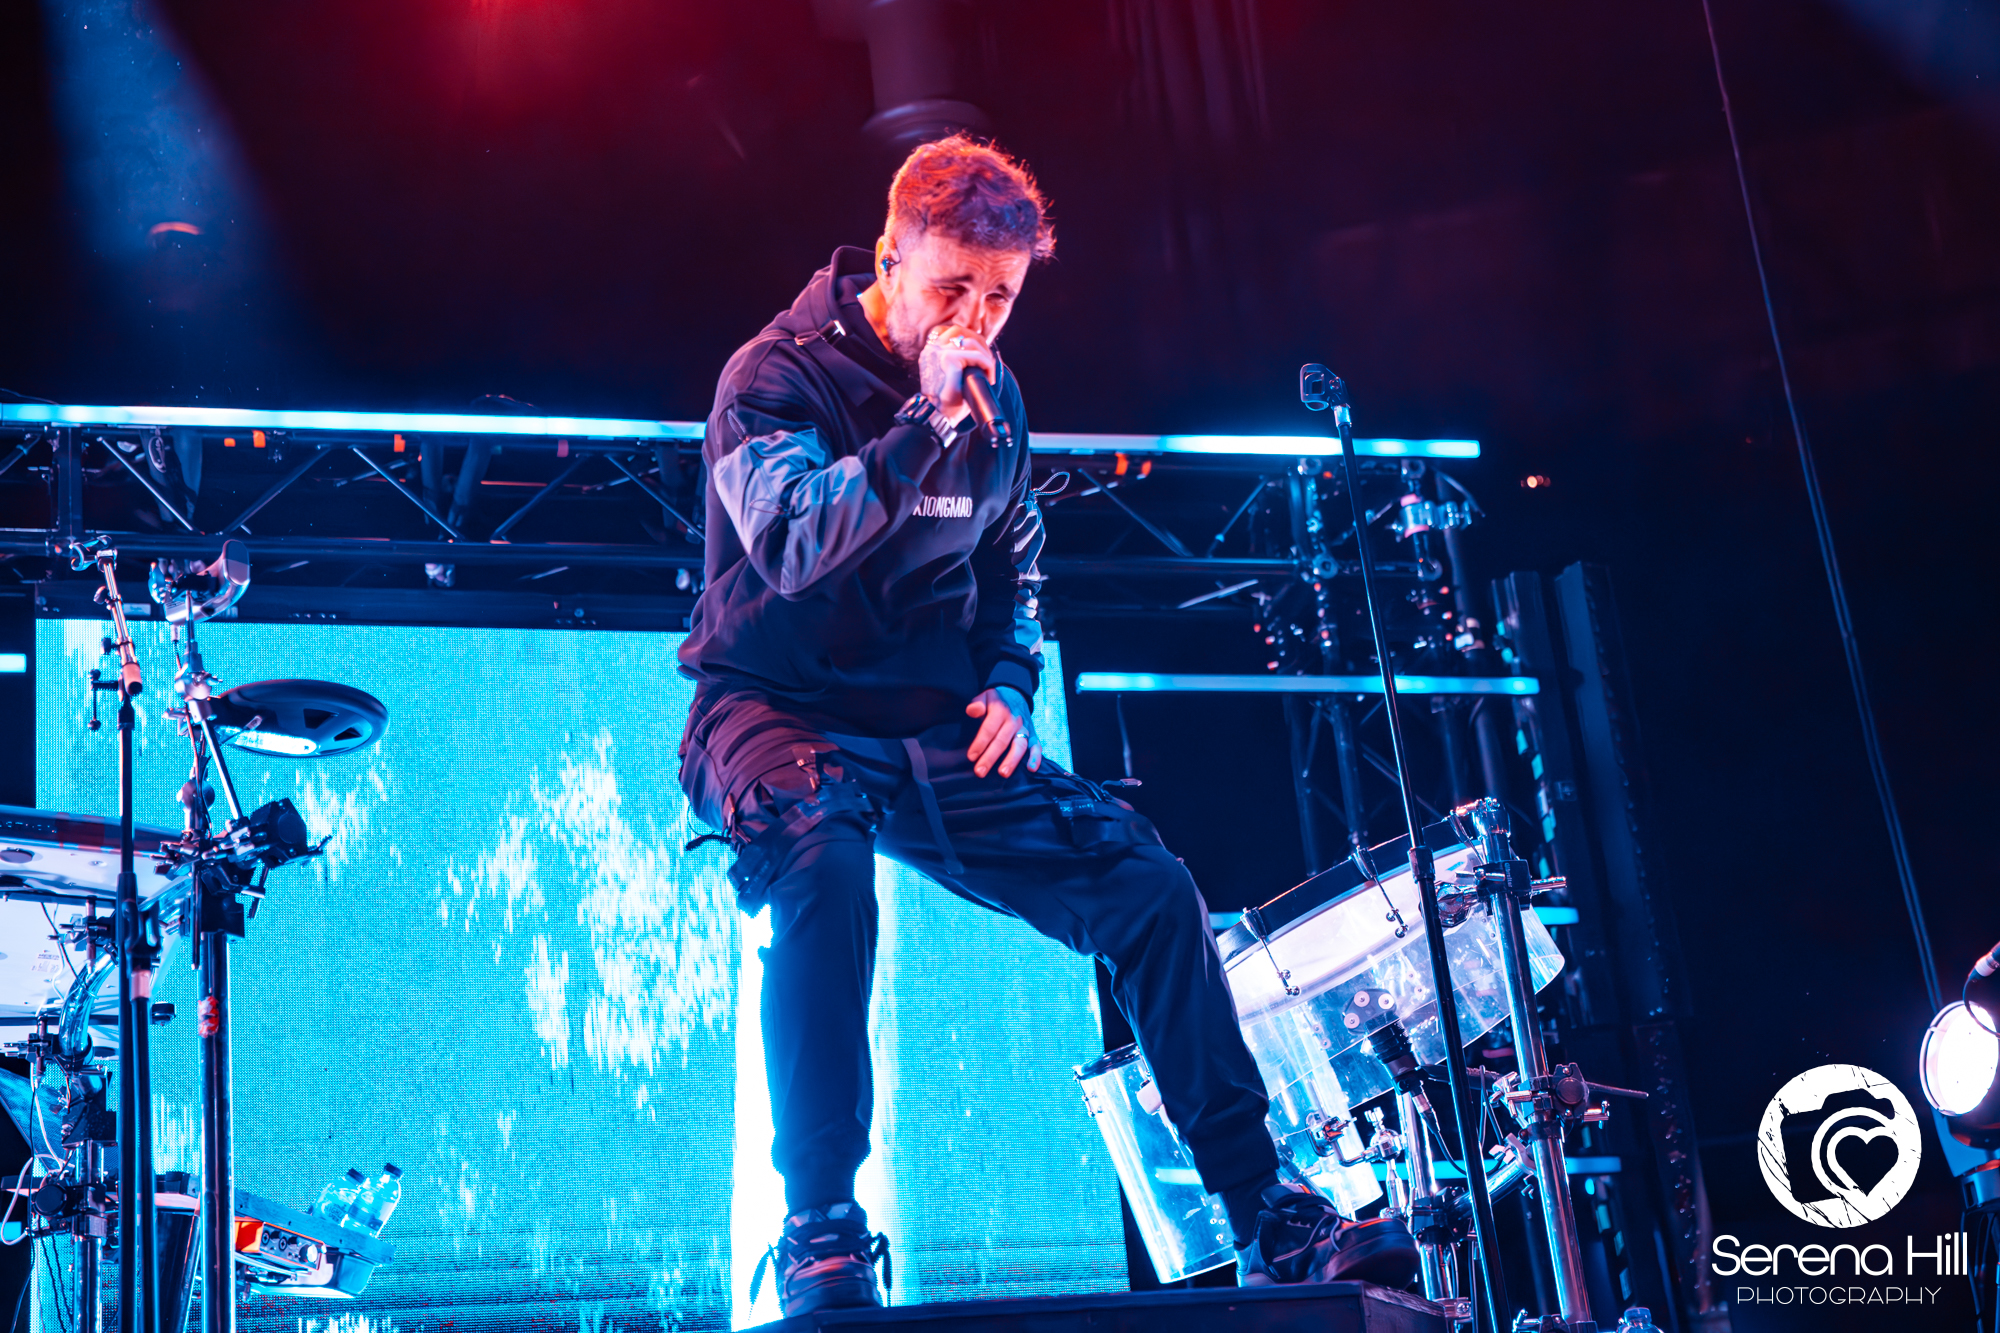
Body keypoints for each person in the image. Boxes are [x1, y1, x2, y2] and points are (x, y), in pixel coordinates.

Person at [678, 134, 1360, 1315]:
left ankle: (1265, 1209)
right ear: (889, 259)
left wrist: (1008, 678)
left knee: (1149, 889)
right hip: (774, 706)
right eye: (952, 288)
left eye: (998, 297)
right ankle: (819, 1226)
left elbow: (1013, 564)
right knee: (823, 858)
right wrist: (919, 425)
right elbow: (791, 544)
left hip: (931, 722)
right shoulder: (774, 378)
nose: (975, 320)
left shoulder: (998, 403)